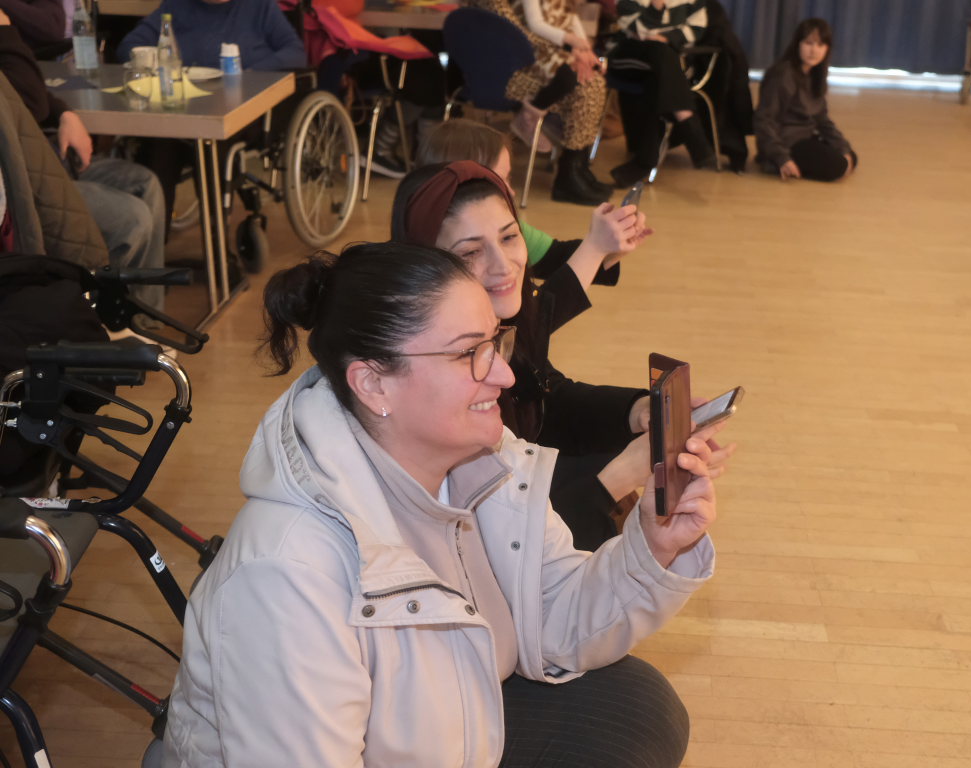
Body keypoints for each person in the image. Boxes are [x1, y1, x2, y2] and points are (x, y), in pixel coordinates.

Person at [161, 241, 720, 767]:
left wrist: (653, 546)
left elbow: (553, 616)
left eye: (495, 342)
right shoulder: (286, 575)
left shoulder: (487, 464)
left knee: (636, 706)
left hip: (434, 735)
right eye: (469, 353)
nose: (504, 374)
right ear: (374, 384)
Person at [392, 160, 735, 551]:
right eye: (471, 252)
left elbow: (543, 396)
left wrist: (636, 411)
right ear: (426, 266)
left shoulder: (501, 325)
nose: (503, 266)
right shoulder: (429, 373)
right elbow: (495, 530)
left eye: (509, 237)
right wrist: (620, 474)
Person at [0, 14, 167, 316]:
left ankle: (144, 315)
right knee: (132, 217)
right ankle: (101, 315)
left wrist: (64, 113)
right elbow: (29, 101)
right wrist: (5, 31)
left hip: (50, 155)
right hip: (26, 180)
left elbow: (26, 95)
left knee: (145, 183)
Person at [117, 0, 305, 230]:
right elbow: (130, 45)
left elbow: (294, 52)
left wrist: (250, 73)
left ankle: (217, 235)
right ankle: (155, 237)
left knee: (212, 144)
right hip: (185, 109)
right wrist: (155, 63)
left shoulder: (259, 6)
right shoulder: (176, 6)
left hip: (244, 108)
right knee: (160, 144)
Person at [417, 117, 638, 290]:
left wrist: (609, 245)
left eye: (508, 178)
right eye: (498, 182)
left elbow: (556, 259)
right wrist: (597, 247)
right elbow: (541, 316)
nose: (511, 192)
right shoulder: (432, 270)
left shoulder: (506, 228)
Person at [470, 0, 612, 205]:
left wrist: (581, 51)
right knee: (584, 86)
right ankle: (567, 172)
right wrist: (571, 49)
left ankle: (576, 166)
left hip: (539, 56)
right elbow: (521, 32)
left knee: (592, 82)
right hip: (512, 69)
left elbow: (568, 20)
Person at [606, 0, 715, 186]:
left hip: (664, 62)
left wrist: (666, 38)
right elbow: (636, 28)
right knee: (660, 56)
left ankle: (643, 163)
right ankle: (690, 126)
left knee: (658, 76)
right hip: (627, 55)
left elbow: (697, 28)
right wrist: (656, 7)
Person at [754, 17, 856, 183]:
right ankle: (774, 163)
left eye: (820, 45)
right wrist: (782, 158)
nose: (813, 50)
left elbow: (822, 119)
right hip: (787, 141)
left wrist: (842, 146)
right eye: (808, 43)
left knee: (850, 155)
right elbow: (764, 120)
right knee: (838, 166)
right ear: (798, 44)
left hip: (806, 136)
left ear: (827, 49)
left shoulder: (815, 74)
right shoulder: (782, 74)